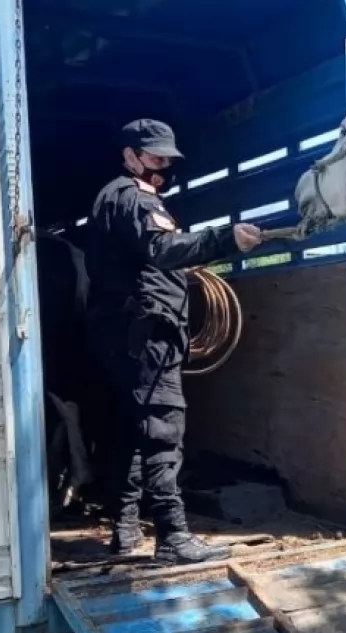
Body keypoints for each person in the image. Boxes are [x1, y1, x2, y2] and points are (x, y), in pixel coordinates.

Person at [82, 118, 264, 564]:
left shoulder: (110, 198)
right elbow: (162, 250)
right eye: (156, 157)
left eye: (168, 158)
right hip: (146, 331)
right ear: (130, 155)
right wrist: (226, 238)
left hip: (121, 331)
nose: (164, 166)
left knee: (130, 428)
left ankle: (126, 530)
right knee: (163, 428)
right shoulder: (135, 197)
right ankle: (172, 537)